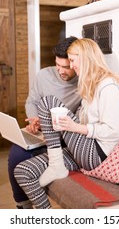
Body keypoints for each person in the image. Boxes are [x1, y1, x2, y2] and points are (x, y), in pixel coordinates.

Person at [14, 38, 119, 209]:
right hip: (82, 148)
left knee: (48, 103)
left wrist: (75, 127)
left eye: (73, 61)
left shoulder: (108, 86)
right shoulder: (90, 84)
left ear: (85, 58)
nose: (72, 66)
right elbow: (82, 118)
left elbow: (114, 130)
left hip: (96, 153)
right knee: (23, 171)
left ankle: (56, 165)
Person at [8, 36, 81, 209]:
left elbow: (79, 117)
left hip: (63, 136)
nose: (61, 70)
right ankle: (23, 205)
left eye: (66, 66)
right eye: (58, 65)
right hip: (40, 132)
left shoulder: (82, 84)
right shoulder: (43, 75)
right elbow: (31, 101)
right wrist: (34, 121)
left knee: (25, 158)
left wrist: (51, 122)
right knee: (17, 154)